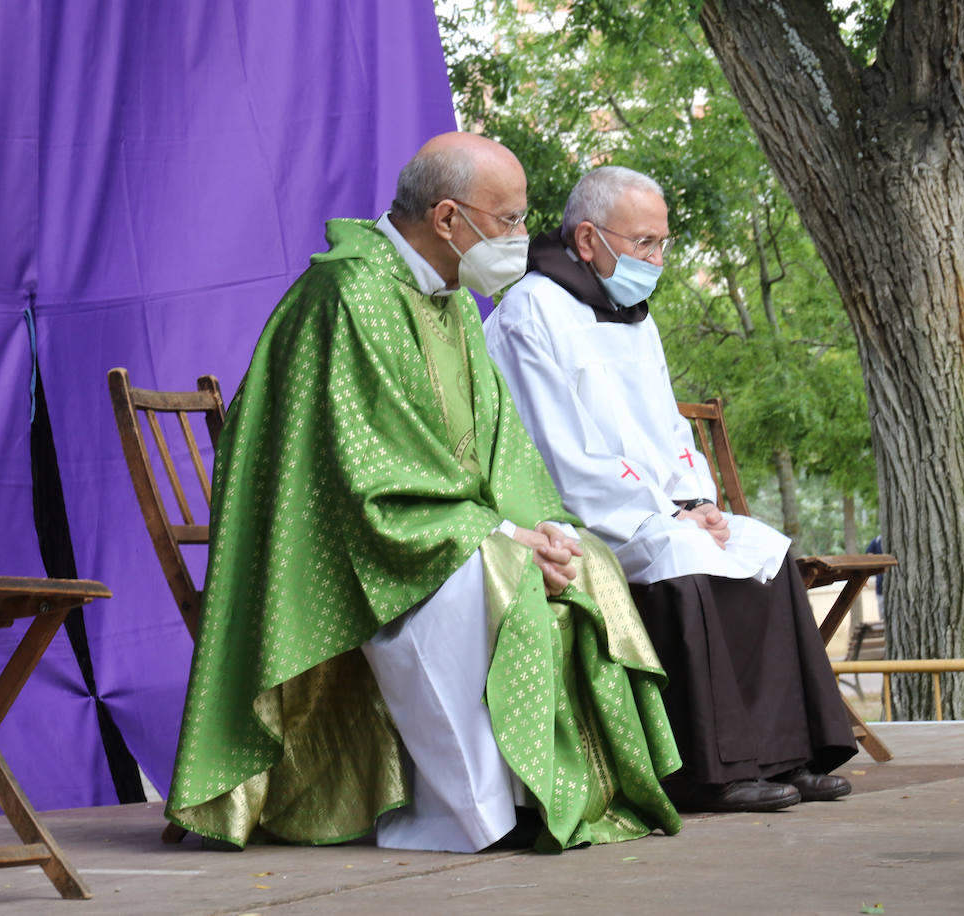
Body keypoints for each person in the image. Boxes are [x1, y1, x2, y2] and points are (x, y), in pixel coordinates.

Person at [165, 134, 683, 854]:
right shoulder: (348, 295)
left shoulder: (452, 302)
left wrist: (541, 528)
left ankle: (552, 792)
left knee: (583, 555)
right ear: (447, 220)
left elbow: (500, 448)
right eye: (507, 221)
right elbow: (365, 474)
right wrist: (502, 539)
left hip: (427, 523)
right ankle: (468, 814)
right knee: (491, 569)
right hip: (332, 548)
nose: (520, 239)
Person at [483, 166, 855, 813]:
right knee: (684, 556)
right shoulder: (529, 311)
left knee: (762, 549)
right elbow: (560, 451)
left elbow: (670, 428)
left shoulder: (632, 315)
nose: (656, 259)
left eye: (663, 243)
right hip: (580, 513)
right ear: (590, 238)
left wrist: (698, 500)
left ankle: (790, 753)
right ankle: (710, 771)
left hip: (658, 507)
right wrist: (666, 514)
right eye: (644, 244)